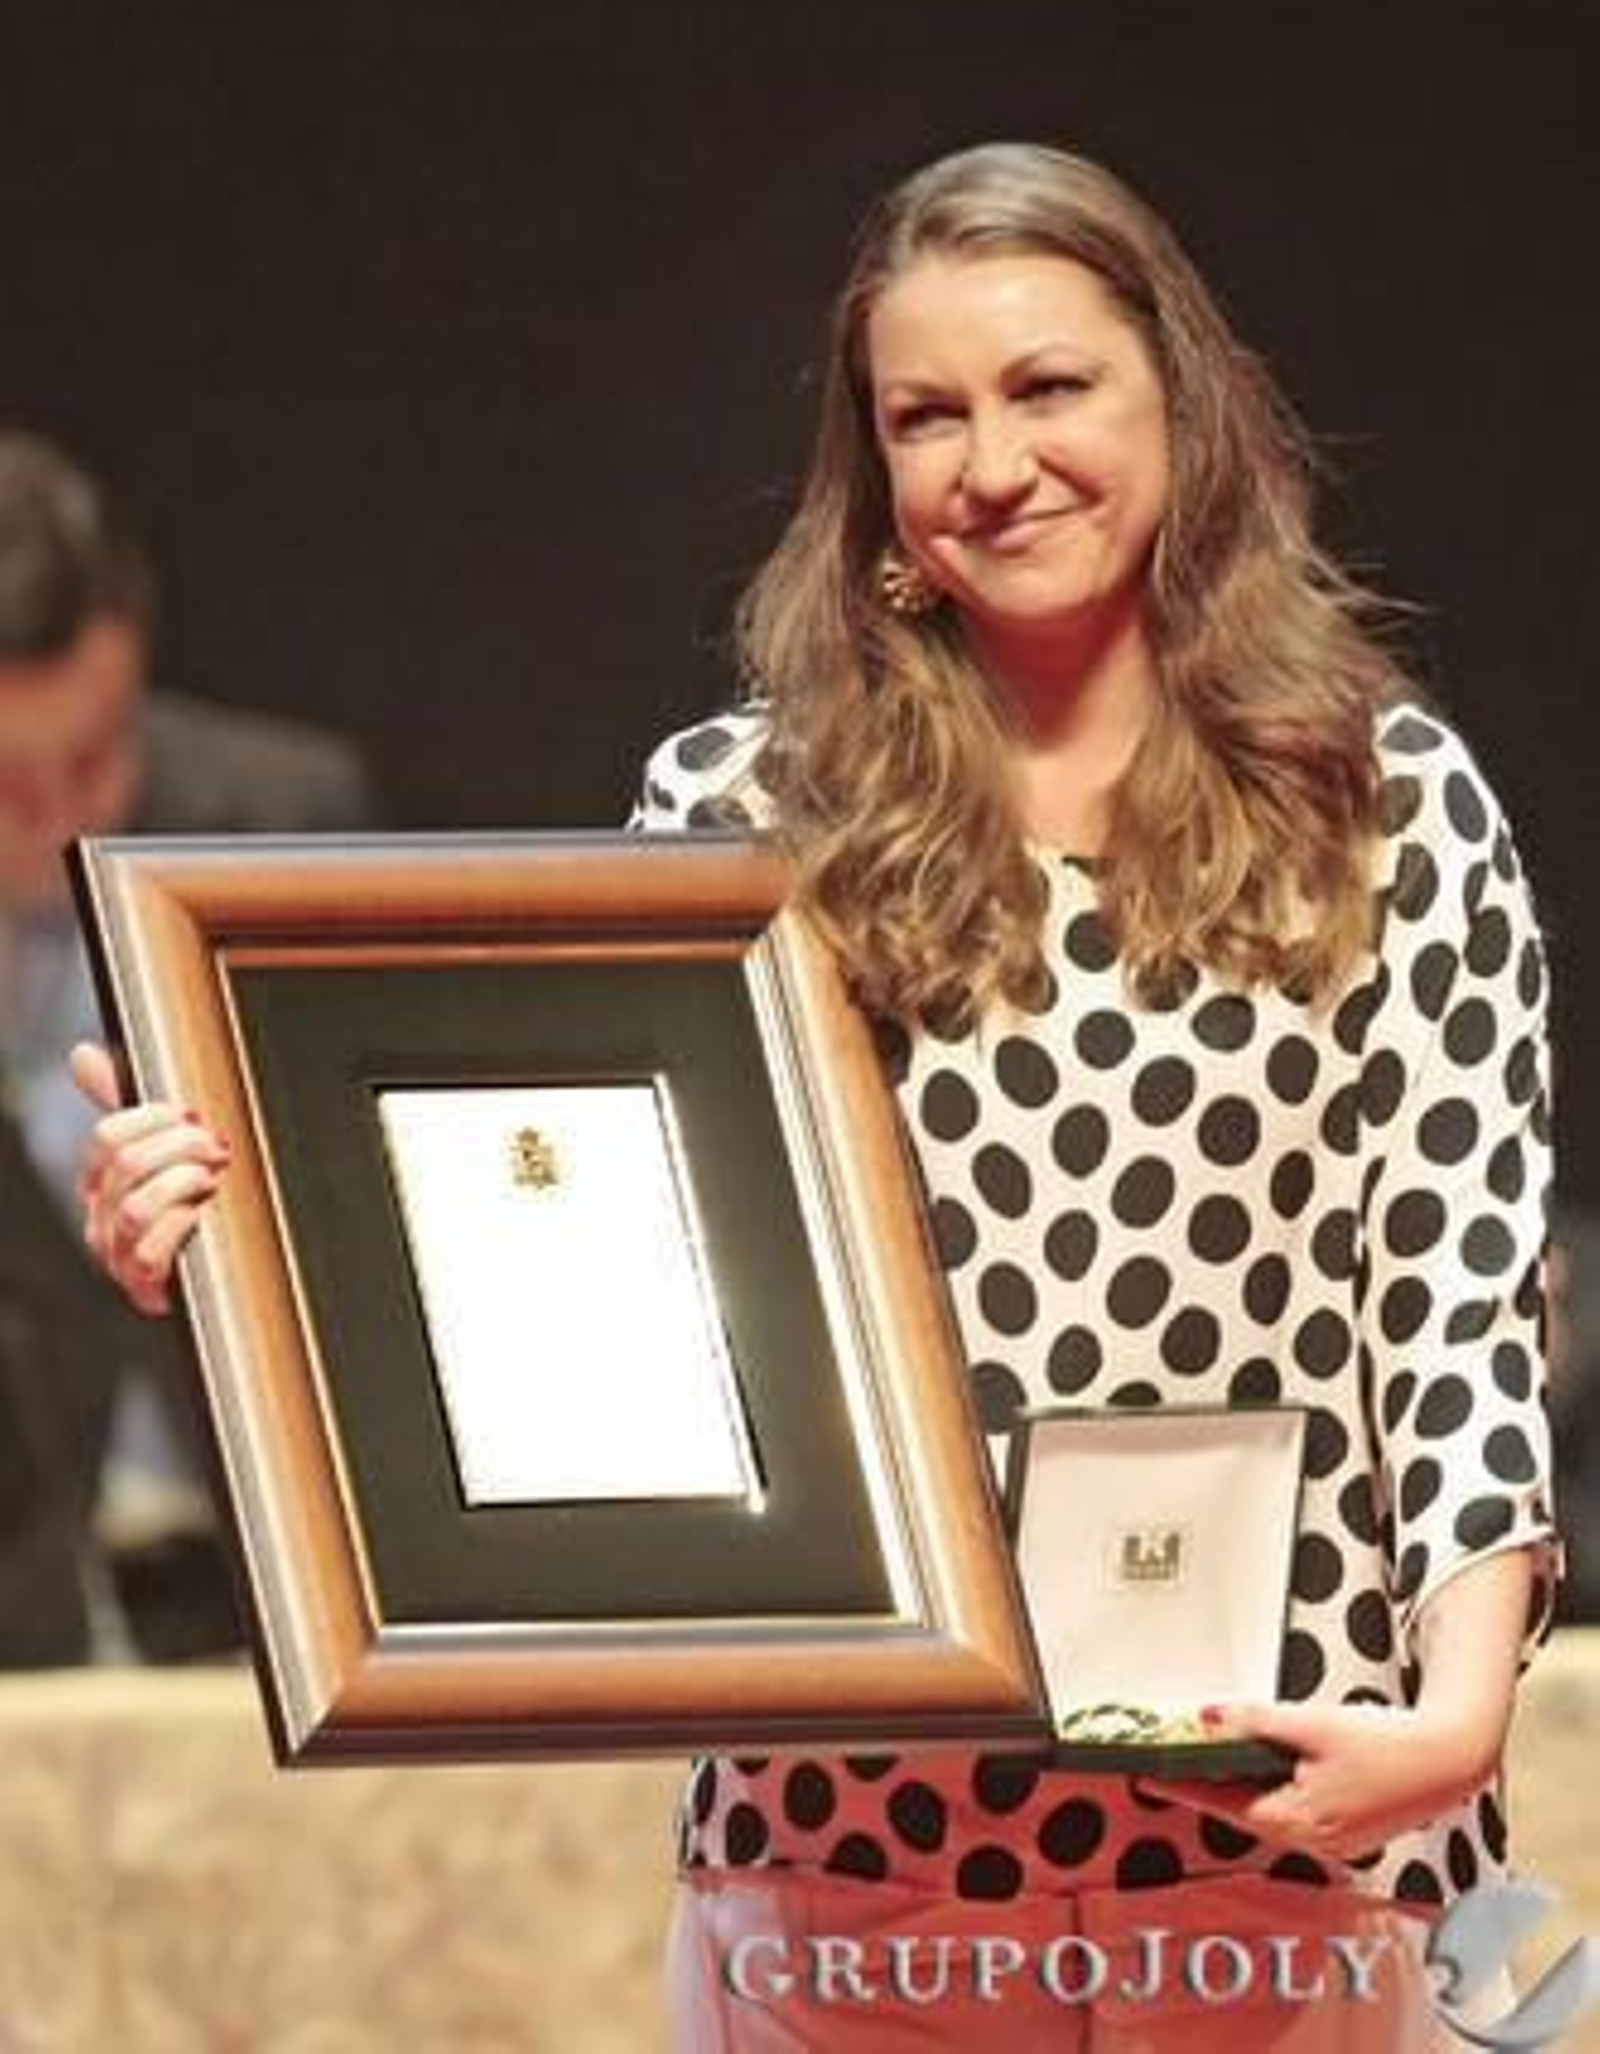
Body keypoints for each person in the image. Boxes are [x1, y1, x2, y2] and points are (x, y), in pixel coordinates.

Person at [73, 145, 1555, 2048]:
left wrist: (1459, 1714)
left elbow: (1457, 1288)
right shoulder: (741, 819)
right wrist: (229, 1244)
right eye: (925, 416)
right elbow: (577, 1279)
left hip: (1292, 1831)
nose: (991, 463)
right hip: (855, 1854)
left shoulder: (1387, 800)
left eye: (1048, 388)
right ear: (871, 475)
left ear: (1181, 402)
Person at [0, 428, 378, 1666]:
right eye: (4, 778)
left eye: (95, 756)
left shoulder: (287, 821)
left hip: (264, 1567)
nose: (56, 815)